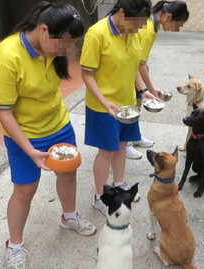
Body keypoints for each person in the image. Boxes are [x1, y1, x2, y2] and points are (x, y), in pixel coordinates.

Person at [0, 2, 97, 268]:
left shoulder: (52, 48)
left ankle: (69, 216)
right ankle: (14, 245)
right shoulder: (6, 58)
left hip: (57, 124)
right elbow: (4, 113)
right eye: (65, 44)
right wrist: (30, 150)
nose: (67, 51)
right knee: (25, 189)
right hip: (24, 134)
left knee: (68, 172)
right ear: (45, 30)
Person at [80, 0, 152, 214]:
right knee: (106, 151)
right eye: (136, 23)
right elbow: (86, 73)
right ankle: (100, 196)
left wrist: (143, 90)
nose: (139, 28)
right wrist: (104, 101)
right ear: (121, 12)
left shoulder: (133, 31)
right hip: (103, 106)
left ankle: (119, 183)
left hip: (127, 104)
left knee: (122, 145)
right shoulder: (97, 34)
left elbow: (134, 69)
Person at [125, 0, 190, 159]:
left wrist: (148, 86)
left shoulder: (153, 25)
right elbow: (138, 65)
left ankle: (134, 136)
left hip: (134, 70)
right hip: (127, 71)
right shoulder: (148, 29)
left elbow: (143, 63)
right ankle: (125, 143)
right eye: (178, 25)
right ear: (168, 16)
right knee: (131, 105)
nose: (177, 29)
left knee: (138, 102)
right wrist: (150, 90)